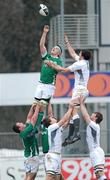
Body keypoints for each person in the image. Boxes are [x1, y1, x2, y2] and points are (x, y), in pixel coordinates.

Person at [45, 34, 91, 146]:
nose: (78, 53)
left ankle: (76, 133)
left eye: (79, 52)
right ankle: (71, 136)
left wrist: (52, 65)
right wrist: (67, 42)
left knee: (71, 105)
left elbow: (64, 70)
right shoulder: (84, 62)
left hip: (80, 90)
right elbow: (72, 53)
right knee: (72, 111)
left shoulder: (80, 63)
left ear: (82, 55)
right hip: (79, 90)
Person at [27, 25, 62, 128]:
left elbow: (58, 68)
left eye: (55, 49)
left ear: (58, 53)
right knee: (34, 106)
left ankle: (36, 126)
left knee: (41, 106)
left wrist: (50, 64)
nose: (53, 49)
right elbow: (41, 45)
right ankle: (32, 125)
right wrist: (45, 32)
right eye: (53, 47)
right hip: (41, 84)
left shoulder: (58, 60)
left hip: (49, 86)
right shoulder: (46, 56)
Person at [43, 101, 74, 180]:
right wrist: (70, 108)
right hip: (52, 155)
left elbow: (66, 123)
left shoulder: (57, 127)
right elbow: (63, 120)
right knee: (50, 176)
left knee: (57, 177)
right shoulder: (51, 127)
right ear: (50, 122)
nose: (54, 117)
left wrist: (71, 113)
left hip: (58, 155)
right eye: (52, 118)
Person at [12, 104, 44, 180]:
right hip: (33, 156)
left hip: (27, 156)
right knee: (32, 176)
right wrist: (37, 109)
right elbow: (32, 120)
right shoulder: (25, 131)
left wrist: (32, 107)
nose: (21, 122)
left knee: (27, 176)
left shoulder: (24, 131)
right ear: (20, 128)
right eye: (19, 123)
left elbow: (29, 117)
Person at [79, 95, 107, 180]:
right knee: (98, 174)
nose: (91, 114)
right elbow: (86, 114)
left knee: (99, 173)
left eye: (93, 114)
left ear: (96, 117)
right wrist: (83, 104)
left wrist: (81, 103)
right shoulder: (94, 125)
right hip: (96, 151)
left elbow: (85, 116)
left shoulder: (94, 125)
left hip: (95, 151)